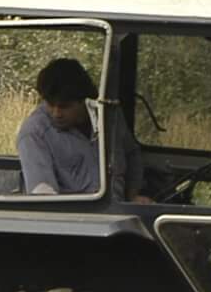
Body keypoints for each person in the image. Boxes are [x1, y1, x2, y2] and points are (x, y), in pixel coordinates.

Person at [17, 56, 129, 197]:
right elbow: (43, 194)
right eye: (51, 105)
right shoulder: (34, 133)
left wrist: (134, 194)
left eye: (65, 107)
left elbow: (131, 154)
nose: (56, 113)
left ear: (85, 101)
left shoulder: (109, 117)